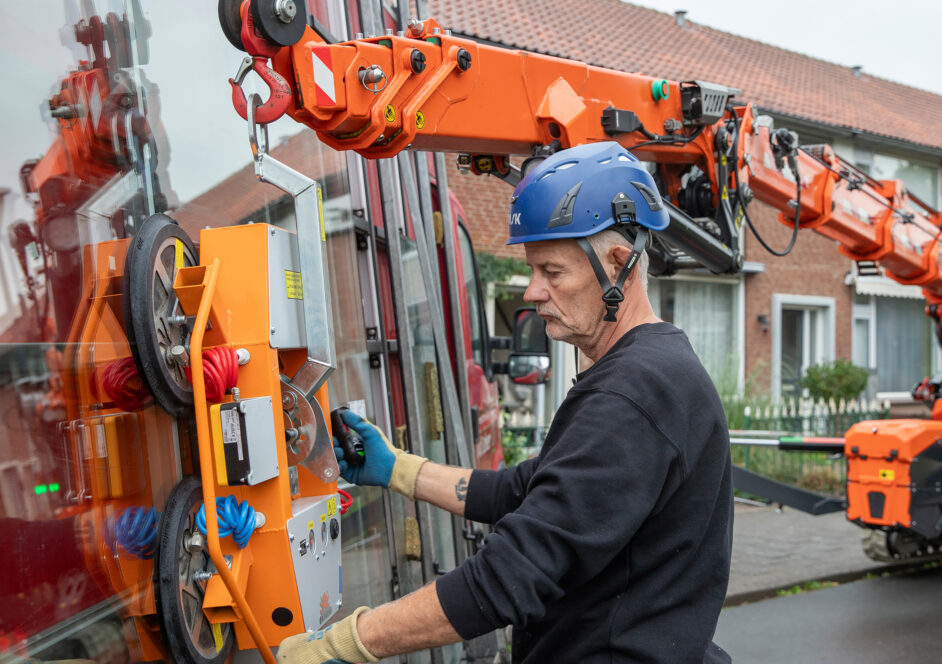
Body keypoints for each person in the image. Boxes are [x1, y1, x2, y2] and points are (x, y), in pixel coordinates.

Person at [277, 141, 733, 663]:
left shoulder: (633, 392)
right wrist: (397, 468)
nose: (533, 291)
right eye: (533, 270)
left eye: (553, 272)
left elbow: (506, 578)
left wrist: (343, 643)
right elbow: (522, 491)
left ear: (618, 263)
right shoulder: (649, 367)